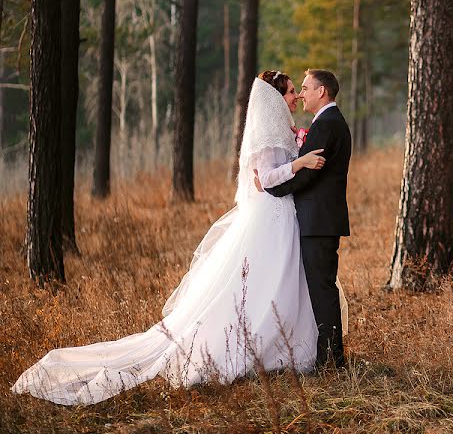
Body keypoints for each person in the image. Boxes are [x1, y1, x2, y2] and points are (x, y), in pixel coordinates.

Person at [12, 70, 345, 405]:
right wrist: (300, 161)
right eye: (291, 92)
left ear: (321, 91)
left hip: (288, 217)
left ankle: (297, 349)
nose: (296, 97)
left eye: (299, 91)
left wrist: (297, 159)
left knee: (287, 281)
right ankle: (262, 348)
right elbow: (265, 181)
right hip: (274, 217)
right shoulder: (272, 134)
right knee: (266, 281)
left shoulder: (291, 130)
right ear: (275, 98)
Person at [258, 69, 351, 369]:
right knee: (321, 288)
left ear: (321, 92)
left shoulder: (326, 125)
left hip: (319, 221)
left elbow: (308, 175)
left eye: (306, 88)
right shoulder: (327, 123)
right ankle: (328, 356)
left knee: (322, 290)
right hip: (318, 220)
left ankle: (331, 361)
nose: (301, 94)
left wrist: (274, 188)